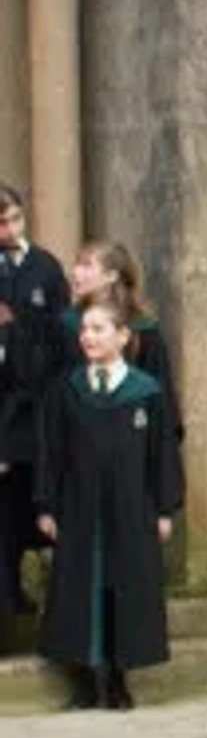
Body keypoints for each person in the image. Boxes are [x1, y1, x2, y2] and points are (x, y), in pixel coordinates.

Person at [34, 296, 184, 710]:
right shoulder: (67, 391)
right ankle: (83, 680)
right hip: (79, 509)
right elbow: (53, 452)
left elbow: (163, 454)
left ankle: (118, 679)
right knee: (79, 588)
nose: (88, 337)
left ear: (123, 336)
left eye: (98, 329)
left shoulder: (145, 392)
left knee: (123, 586)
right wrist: (46, 505)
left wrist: (165, 508)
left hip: (131, 508)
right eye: (84, 330)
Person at [0, 185, 70, 615]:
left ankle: (57, 603)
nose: (6, 229)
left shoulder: (46, 268)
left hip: (40, 409)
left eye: (12, 219)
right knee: (5, 512)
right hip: (2, 414)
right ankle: (8, 599)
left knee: (41, 503)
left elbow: (63, 333)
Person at [61, 240, 184, 442]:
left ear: (111, 275)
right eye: (76, 264)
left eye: (86, 265)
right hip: (78, 442)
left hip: (132, 441)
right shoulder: (65, 325)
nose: (75, 272)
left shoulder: (144, 329)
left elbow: (162, 398)